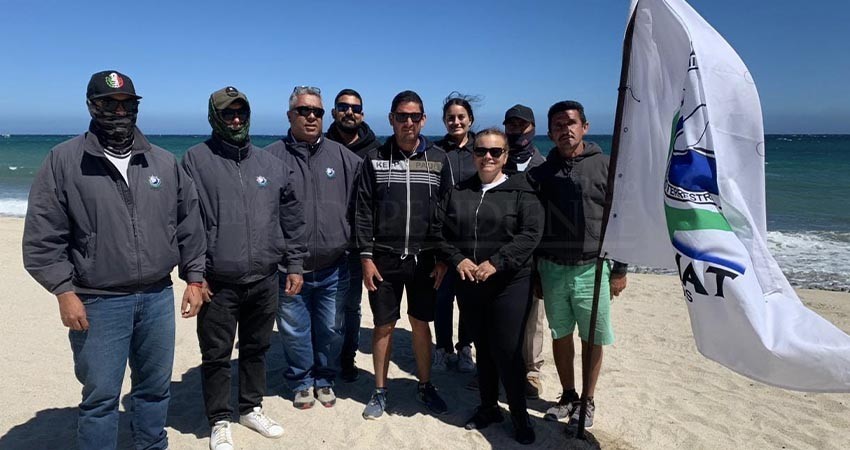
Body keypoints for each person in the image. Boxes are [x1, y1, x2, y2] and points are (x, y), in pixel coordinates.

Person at [22, 70, 206, 450]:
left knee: (154, 390)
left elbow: (189, 224)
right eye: (109, 103)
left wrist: (195, 277)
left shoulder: (162, 162)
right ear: (92, 105)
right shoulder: (63, 160)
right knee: (101, 398)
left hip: (157, 297)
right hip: (97, 301)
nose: (119, 111)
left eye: (127, 104)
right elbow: (43, 237)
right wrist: (62, 291)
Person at [182, 86, 306, 449]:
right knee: (217, 355)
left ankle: (251, 407)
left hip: (265, 278)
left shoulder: (270, 164)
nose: (236, 119)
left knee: (257, 348)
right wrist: (194, 275)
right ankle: (219, 419)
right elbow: (186, 224)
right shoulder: (195, 160)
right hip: (217, 283)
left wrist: (294, 264)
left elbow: (291, 219)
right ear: (213, 117)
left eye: (241, 113)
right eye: (227, 113)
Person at [434, 128, 543, 444]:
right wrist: (458, 260)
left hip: (509, 284)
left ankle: (520, 417)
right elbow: (438, 232)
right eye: (482, 151)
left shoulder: (522, 192)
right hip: (470, 284)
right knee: (482, 347)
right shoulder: (458, 192)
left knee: (507, 351)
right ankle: (488, 407)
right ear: (473, 154)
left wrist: (498, 261)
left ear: (506, 155)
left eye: (496, 152)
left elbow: (530, 234)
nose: (488, 157)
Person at [528, 100, 628, 429]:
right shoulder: (540, 173)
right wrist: (536, 272)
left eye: (571, 123)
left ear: (584, 126)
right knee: (560, 335)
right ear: (549, 132)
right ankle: (568, 395)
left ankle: (588, 399)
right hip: (552, 268)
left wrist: (621, 269)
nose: (565, 129)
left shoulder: (606, 166)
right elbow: (534, 225)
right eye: (557, 125)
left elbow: (620, 220)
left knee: (592, 337)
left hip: (593, 268)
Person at [354, 90, 452, 420]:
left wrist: (442, 258)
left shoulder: (438, 158)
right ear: (392, 119)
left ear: (423, 120)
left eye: (414, 116)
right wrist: (366, 258)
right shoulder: (375, 157)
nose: (408, 122)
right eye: (401, 116)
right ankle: (380, 391)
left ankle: (425, 386)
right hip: (384, 259)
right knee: (384, 326)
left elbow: (448, 210)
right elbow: (363, 210)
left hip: (425, 259)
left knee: (421, 323)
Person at [266, 86, 362, 409]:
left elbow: (363, 209)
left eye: (317, 112)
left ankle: (325, 377)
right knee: (294, 329)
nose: (311, 117)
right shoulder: (270, 158)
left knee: (331, 328)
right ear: (290, 115)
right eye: (304, 111)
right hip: (289, 268)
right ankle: (301, 380)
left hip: (335, 265)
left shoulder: (345, 158)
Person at [325, 88, 381, 382]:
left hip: (360, 244)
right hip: (326, 241)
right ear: (334, 112)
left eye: (356, 108)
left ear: (362, 114)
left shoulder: (376, 151)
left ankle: (347, 358)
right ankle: (329, 362)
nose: (350, 112)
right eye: (343, 107)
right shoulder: (319, 145)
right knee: (329, 308)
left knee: (351, 306)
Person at [432, 92, 479, 374]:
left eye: (461, 117)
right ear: (444, 121)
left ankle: (465, 347)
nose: (456, 121)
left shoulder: (482, 150)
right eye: (451, 117)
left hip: (473, 239)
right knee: (442, 297)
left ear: (470, 120)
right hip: (442, 237)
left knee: (469, 298)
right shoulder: (437, 152)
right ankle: (442, 348)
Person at [502, 104, 547, 399]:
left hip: (535, 254)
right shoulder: (495, 162)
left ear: (532, 127)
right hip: (498, 252)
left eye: (523, 125)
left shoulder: (543, 167)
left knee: (533, 317)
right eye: (512, 125)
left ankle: (531, 370)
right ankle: (494, 366)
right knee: (498, 312)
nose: (517, 130)